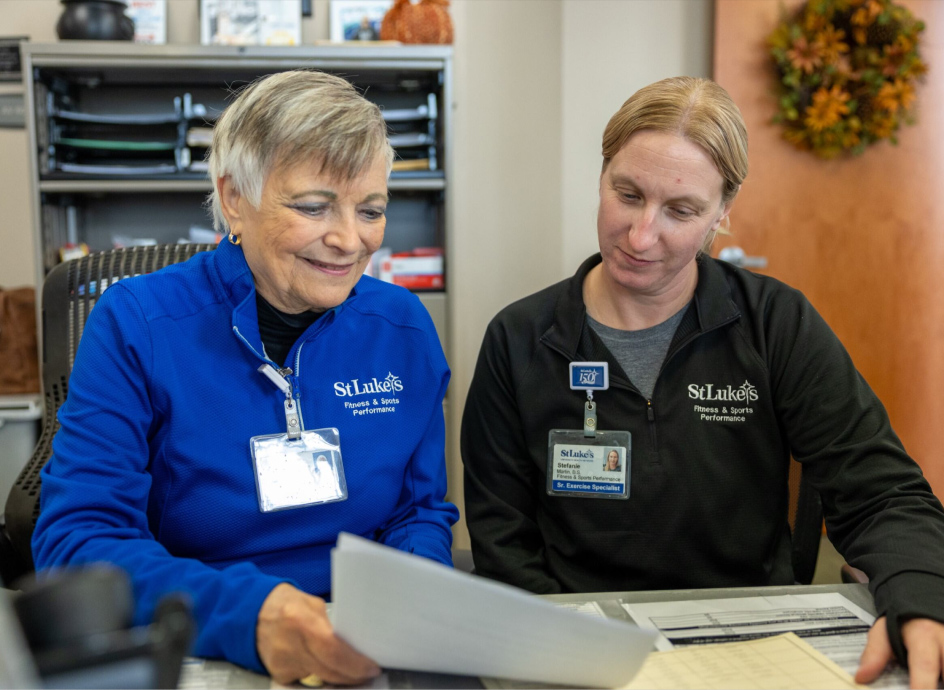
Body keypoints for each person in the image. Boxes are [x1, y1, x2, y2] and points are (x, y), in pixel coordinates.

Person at [461, 76, 944, 688]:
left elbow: (882, 493)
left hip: (753, 642)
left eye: (681, 211)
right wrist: (566, 656)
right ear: (602, 174)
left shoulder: (775, 324)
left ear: (724, 211)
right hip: (579, 647)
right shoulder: (520, 338)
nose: (641, 237)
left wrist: (924, 596)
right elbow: (505, 546)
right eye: (627, 194)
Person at [33, 70, 458, 686]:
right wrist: (248, 615)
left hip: (360, 650)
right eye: (313, 206)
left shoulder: (402, 328)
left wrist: (409, 606)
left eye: (370, 210)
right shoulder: (136, 322)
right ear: (234, 198)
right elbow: (77, 539)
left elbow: (419, 512)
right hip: (203, 639)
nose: (348, 240)